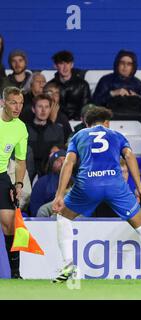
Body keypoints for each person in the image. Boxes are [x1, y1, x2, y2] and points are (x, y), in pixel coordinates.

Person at [51, 106, 141, 284]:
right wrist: (139, 186)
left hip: (88, 184)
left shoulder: (78, 136)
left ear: (86, 123)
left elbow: (68, 162)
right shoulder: (116, 135)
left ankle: (68, 263)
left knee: (63, 217)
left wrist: (59, 195)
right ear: (106, 122)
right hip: (115, 185)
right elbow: (130, 156)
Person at [0, 87, 28, 279]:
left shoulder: (20, 127)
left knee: (10, 223)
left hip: (1, 175)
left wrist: (18, 184)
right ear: (3, 102)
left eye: (21, 103)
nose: (17, 107)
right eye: (13, 102)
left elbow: (20, 160)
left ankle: (15, 274)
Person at [92, 50, 141, 124]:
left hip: (134, 121)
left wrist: (138, 97)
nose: (125, 67)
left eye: (129, 64)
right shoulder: (105, 81)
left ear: (133, 67)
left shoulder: (139, 84)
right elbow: (95, 103)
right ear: (117, 64)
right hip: (110, 121)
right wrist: (112, 93)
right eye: (122, 63)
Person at [26, 94, 65, 181]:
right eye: (40, 106)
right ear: (33, 109)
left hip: (49, 172)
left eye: (46, 107)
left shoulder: (57, 129)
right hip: (26, 171)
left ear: (50, 109)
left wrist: (58, 148)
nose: (43, 110)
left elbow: (62, 149)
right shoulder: (24, 129)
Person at [48, 50, 91, 120]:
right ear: (55, 66)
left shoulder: (83, 85)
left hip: (78, 121)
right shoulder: (50, 85)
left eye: (68, 63)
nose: (65, 67)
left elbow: (86, 107)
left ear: (72, 65)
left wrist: (76, 119)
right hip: (57, 121)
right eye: (61, 63)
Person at [29, 149, 66, 216]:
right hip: (49, 219)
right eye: (58, 160)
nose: (62, 162)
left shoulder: (77, 181)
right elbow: (35, 207)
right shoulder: (43, 182)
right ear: (52, 164)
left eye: (65, 160)